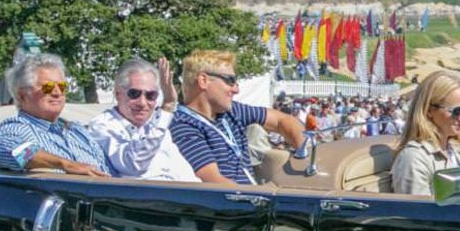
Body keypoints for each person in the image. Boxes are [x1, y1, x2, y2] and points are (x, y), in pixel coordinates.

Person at [170, 50, 305, 186]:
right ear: (203, 81)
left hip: (250, 195)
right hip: (231, 204)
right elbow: (214, 182)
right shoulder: (183, 125)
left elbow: (283, 120)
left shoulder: (232, 111)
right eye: (230, 81)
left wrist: (305, 152)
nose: (236, 90)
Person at [0, 53, 110, 176]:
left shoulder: (77, 131)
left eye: (62, 86)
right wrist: (66, 165)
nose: (57, 93)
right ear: (23, 95)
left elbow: (106, 168)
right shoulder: (17, 128)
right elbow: (16, 152)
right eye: (48, 87)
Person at [89, 57, 194, 181]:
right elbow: (134, 164)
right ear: (118, 94)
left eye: (151, 95)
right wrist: (167, 107)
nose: (142, 103)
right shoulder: (102, 126)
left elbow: (186, 175)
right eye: (134, 94)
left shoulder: (158, 127)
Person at [391, 70, 460, 196]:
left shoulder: (457, 150)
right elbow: (418, 212)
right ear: (429, 110)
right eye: (456, 111)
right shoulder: (415, 158)